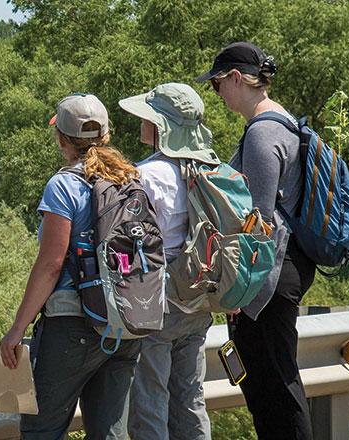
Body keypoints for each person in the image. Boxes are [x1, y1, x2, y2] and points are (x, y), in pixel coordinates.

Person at [0, 93, 142, 440]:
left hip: (72, 326)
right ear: (106, 135)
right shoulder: (130, 179)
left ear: (61, 139)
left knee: (42, 430)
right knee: (110, 433)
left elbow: (51, 265)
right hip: (125, 324)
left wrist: (17, 329)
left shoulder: (63, 185)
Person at [197, 41, 315, 440]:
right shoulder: (283, 123)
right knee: (275, 385)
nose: (217, 94)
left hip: (269, 278)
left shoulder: (263, 134)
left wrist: (240, 295)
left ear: (235, 78)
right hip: (287, 267)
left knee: (274, 392)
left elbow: (258, 225)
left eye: (216, 85)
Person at [118, 83, 218, 440]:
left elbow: (128, 240)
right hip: (200, 296)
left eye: (147, 116)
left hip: (157, 301)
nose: (140, 122)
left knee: (150, 403)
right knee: (191, 399)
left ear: (161, 125)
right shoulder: (208, 167)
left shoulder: (147, 175)